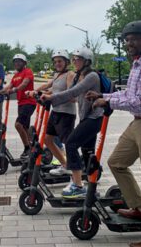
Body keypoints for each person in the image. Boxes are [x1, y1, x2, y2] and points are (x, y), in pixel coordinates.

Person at [88, 20, 141, 247]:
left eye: (134, 38)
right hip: (139, 123)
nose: (129, 43)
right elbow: (130, 93)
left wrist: (107, 102)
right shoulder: (138, 64)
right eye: (127, 39)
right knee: (116, 162)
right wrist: (104, 96)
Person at [40, 47, 103, 198]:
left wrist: (52, 98)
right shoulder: (78, 76)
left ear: (87, 61)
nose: (75, 61)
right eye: (74, 59)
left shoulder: (92, 76)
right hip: (85, 117)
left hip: (94, 118)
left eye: (78, 59)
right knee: (88, 153)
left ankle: (78, 185)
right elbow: (67, 91)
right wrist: (44, 94)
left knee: (71, 144)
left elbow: (72, 93)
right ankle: (91, 186)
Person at [27, 50, 76, 171]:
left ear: (66, 62)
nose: (57, 64)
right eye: (55, 62)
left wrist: (49, 94)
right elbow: (49, 87)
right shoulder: (56, 75)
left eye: (60, 61)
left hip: (66, 113)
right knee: (47, 139)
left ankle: (74, 168)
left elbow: (70, 94)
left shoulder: (70, 74)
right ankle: (65, 164)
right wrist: (35, 91)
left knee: (68, 143)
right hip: (56, 111)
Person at [0, 53, 36, 158]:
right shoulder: (15, 76)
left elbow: (24, 84)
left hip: (29, 102)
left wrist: (14, 90)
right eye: (15, 62)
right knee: (25, 127)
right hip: (21, 103)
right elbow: (8, 87)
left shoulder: (28, 72)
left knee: (18, 125)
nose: (17, 63)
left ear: (24, 63)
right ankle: (33, 146)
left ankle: (27, 148)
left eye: (19, 61)